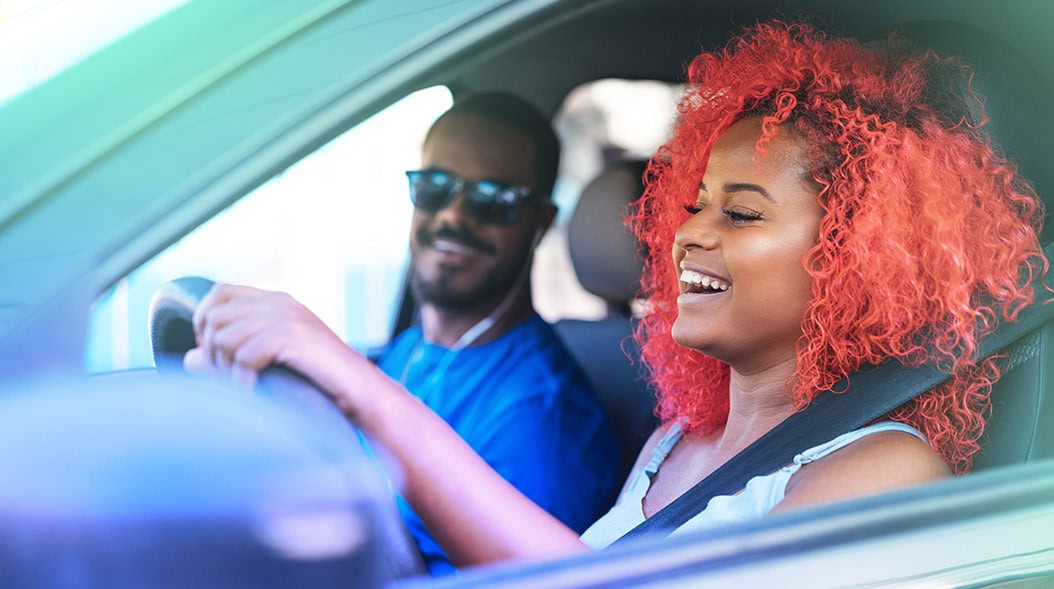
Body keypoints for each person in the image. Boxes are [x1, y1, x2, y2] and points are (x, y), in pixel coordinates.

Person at [186, 20, 1046, 568]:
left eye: (742, 213)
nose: (689, 234)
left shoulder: (882, 469)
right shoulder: (678, 439)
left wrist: (359, 386)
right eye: (696, 202)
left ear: (856, 256)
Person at [185, 92, 620, 574]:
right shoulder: (411, 349)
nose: (454, 214)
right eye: (435, 187)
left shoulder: (542, 416)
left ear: (540, 223)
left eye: (493, 200)